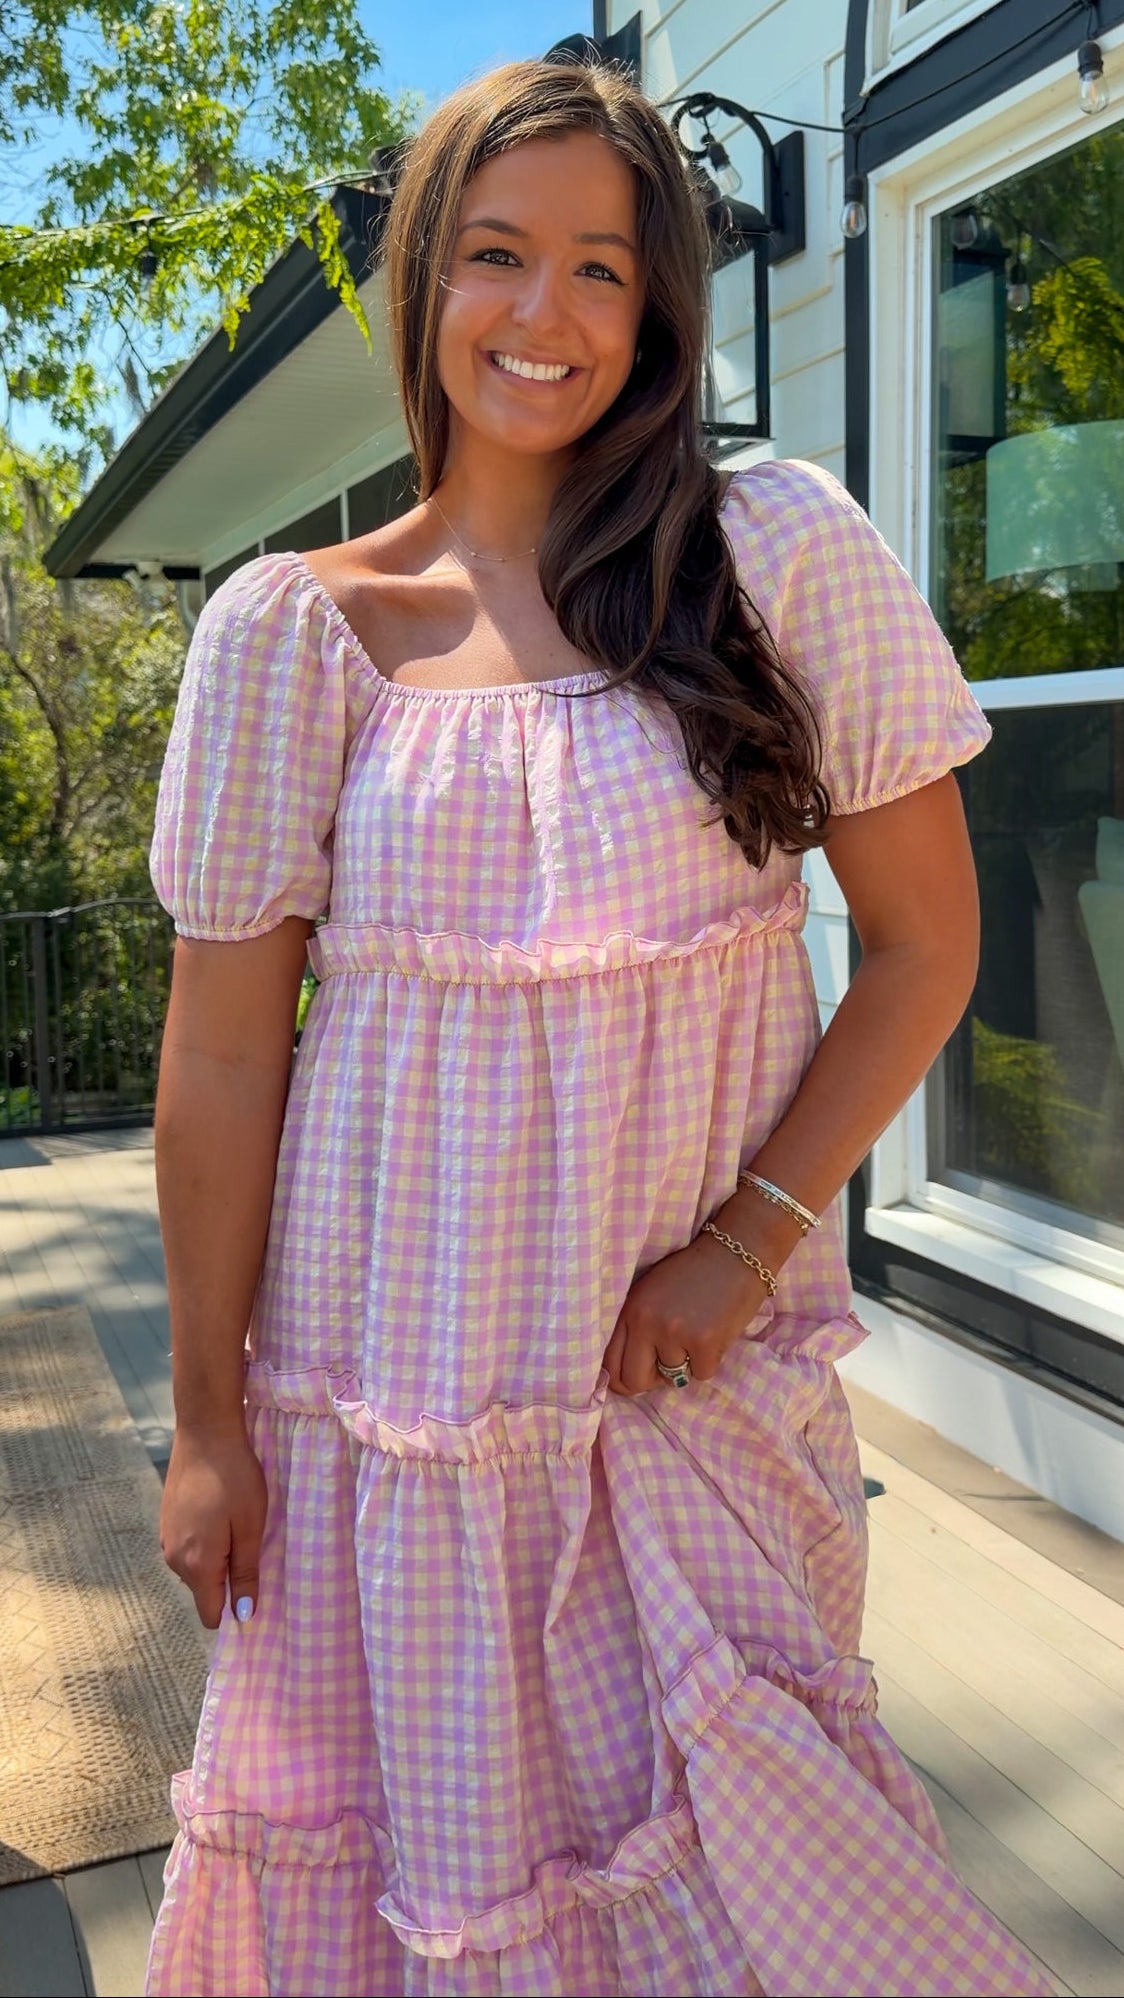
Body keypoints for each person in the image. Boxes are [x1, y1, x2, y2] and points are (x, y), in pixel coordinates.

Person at [144, 55, 1058, 1998]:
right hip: (384, 1419)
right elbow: (224, 1053)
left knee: (755, 1872)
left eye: (598, 269)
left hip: (676, 1401)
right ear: (422, 287)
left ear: (655, 312)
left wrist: (744, 1245)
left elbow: (923, 949)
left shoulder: (774, 555)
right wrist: (208, 1420)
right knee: (430, 1890)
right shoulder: (292, 634)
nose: (542, 316)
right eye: (493, 257)